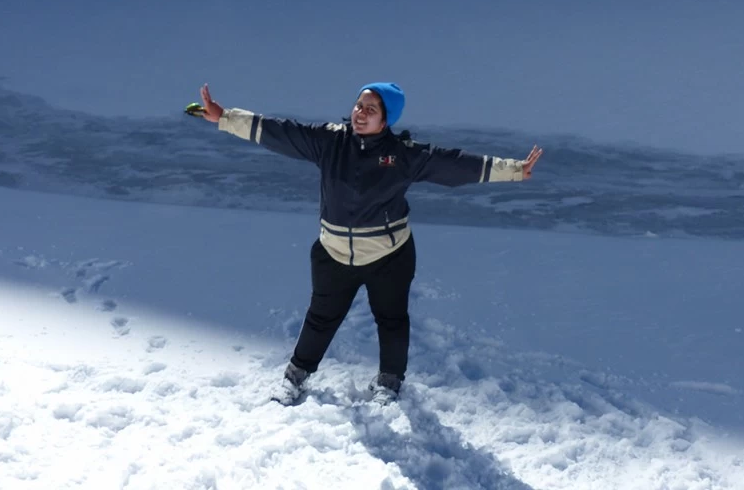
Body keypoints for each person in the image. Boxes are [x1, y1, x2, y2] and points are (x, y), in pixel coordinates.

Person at [194, 81, 542, 405]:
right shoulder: (330, 141)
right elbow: (281, 132)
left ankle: (389, 382)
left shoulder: (402, 155)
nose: (360, 113)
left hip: (389, 256)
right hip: (333, 253)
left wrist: (515, 170)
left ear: (386, 119)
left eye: (371, 109)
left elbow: (455, 165)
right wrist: (224, 117)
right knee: (321, 317)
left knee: (391, 319)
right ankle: (296, 375)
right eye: (359, 105)